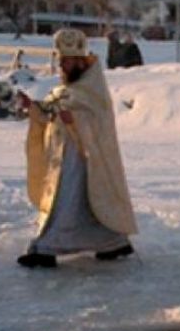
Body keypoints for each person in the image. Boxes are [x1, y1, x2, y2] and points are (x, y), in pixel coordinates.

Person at [16, 29, 138, 268]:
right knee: (83, 203)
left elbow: (96, 121)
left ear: (80, 62)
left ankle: (48, 248)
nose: (62, 66)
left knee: (69, 201)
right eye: (61, 61)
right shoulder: (63, 90)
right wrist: (32, 106)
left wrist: (73, 118)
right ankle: (112, 242)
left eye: (67, 61)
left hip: (82, 159)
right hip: (63, 158)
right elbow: (49, 113)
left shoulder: (93, 90)